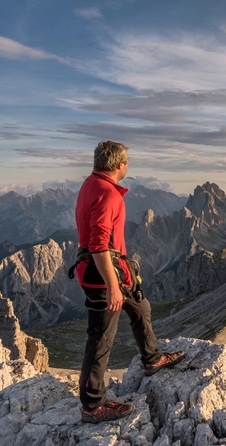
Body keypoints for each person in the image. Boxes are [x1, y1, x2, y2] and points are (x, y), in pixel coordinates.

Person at [73, 141, 184, 423]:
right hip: (103, 275)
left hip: (115, 271)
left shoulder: (89, 184)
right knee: (100, 338)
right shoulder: (109, 195)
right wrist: (112, 286)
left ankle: (152, 358)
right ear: (120, 164)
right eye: (128, 161)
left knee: (140, 308)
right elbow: (98, 245)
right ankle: (93, 406)